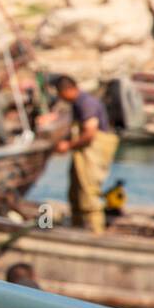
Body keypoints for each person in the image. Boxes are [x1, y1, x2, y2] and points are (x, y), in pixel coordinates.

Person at [52, 74, 119, 234]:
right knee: (76, 194)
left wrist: (68, 145)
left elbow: (89, 134)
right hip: (82, 155)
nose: (59, 97)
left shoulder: (86, 103)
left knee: (89, 195)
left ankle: (96, 234)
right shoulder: (76, 104)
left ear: (67, 90)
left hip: (92, 155)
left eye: (59, 93)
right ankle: (77, 229)